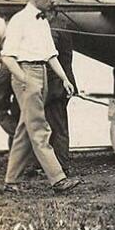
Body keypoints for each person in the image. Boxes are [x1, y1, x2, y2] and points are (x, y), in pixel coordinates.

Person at [0, 0, 79, 194]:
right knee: (40, 129)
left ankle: (11, 181)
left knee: (26, 129)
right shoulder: (19, 20)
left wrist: (64, 79)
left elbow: (51, 55)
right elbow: (7, 56)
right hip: (26, 74)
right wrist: (24, 79)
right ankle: (58, 178)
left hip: (42, 72)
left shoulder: (42, 21)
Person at [45, 13, 78, 172]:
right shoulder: (63, 23)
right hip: (64, 80)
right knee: (57, 124)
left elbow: (51, 54)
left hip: (56, 83)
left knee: (57, 126)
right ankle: (55, 163)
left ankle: (60, 166)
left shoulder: (53, 28)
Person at [0, 19, 21, 148]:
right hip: (24, 68)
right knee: (19, 108)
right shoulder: (26, 29)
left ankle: (18, 135)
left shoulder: (1, 31)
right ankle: (19, 142)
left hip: (7, 68)